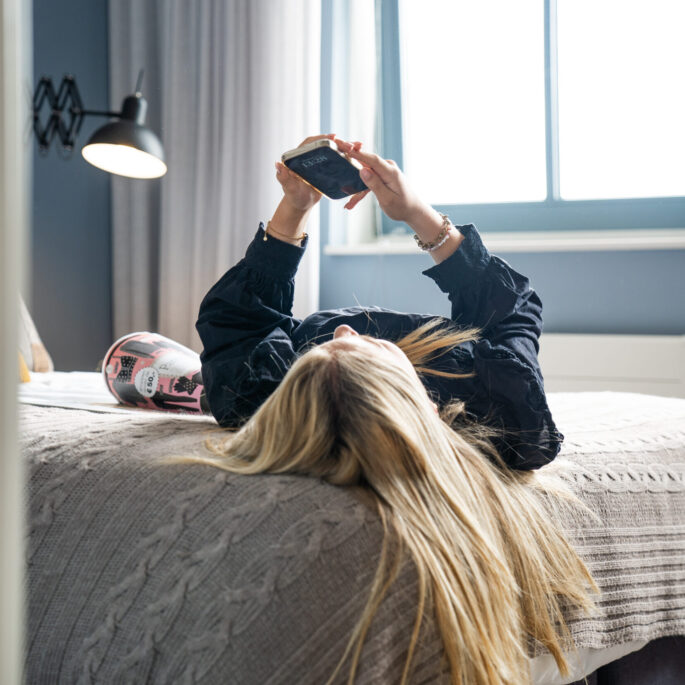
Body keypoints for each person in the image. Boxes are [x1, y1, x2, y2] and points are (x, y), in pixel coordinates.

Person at [193, 135, 596, 684]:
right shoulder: (497, 405)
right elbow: (513, 309)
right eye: (348, 344)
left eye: (323, 347)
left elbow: (237, 323)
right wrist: (419, 217)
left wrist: (294, 205)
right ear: (402, 388)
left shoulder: (262, 397)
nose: (340, 328)